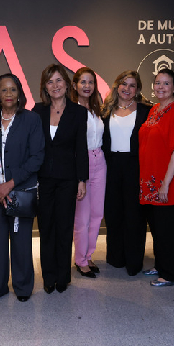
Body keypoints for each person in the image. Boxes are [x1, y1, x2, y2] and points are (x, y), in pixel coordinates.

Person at [0, 73, 45, 302]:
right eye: (3, 90)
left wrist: (10, 185)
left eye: (12, 89)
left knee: (21, 239)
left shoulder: (31, 120)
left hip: (20, 192)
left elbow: (36, 158)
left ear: (20, 93)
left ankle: (23, 287)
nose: (8, 94)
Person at [33, 64, 88, 294]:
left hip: (68, 179)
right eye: (50, 81)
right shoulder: (37, 111)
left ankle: (63, 276)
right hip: (43, 179)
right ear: (45, 87)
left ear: (67, 84)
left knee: (65, 228)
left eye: (59, 80)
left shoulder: (78, 112)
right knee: (46, 228)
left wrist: (81, 179)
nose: (55, 85)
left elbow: (80, 148)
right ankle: (48, 276)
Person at [139, 68, 174, 287]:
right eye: (158, 83)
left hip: (168, 183)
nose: (161, 87)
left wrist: (165, 184)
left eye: (166, 83)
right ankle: (161, 265)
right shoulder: (155, 110)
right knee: (158, 228)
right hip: (150, 181)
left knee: (168, 229)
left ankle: (171, 274)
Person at [102, 70, 152, 276]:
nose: (127, 89)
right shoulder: (106, 109)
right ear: (117, 86)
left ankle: (134, 260)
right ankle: (116, 257)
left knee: (135, 215)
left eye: (132, 85)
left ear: (138, 89)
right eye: (124, 84)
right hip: (111, 165)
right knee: (113, 213)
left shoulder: (147, 110)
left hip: (135, 166)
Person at [70, 67, 105, 278]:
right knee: (81, 217)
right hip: (80, 164)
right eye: (83, 82)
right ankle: (80, 259)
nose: (87, 86)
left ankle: (89, 254)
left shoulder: (96, 109)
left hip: (99, 160)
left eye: (90, 82)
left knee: (97, 213)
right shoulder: (70, 110)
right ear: (74, 85)